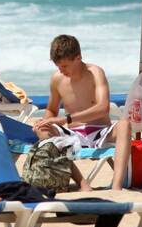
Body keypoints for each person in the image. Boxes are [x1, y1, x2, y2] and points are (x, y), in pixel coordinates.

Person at [34, 34, 132, 191]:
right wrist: (44, 121)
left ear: (78, 58)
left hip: (100, 131)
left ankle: (117, 186)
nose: (61, 70)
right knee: (42, 129)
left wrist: (66, 119)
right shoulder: (57, 79)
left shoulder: (95, 73)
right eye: (58, 66)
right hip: (72, 134)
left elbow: (103, 107)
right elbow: (51, 109)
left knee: (125, 125)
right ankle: (82, 183)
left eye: (65, 66)